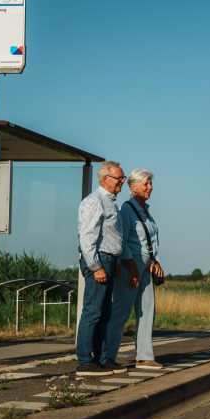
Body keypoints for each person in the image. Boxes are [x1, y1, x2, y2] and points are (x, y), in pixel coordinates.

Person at [105, 168, 165, 370]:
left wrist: (155, 261)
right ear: (133, 187)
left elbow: (149, 239)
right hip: (131, 266)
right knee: (121, 312)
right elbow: (122, 241)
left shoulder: (145, 210)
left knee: (147, 311)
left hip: (146, 266)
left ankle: (145, 356)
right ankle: (108, 357)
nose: (150, 187)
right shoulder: (127, 210)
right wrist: (133, 269)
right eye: (146, 184)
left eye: (150, 183)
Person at [76, 161, 131, 377]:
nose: (122, 182)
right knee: (92, 311)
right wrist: (96, 266)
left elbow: (112, 236)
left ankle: (100, 358)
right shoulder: (94, 201)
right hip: (99, 261)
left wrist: (116, 262)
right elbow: (87, 237)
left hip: (110, 262)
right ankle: (84, 361)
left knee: (105, 313)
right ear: (104, 178)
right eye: (119, 178)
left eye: (123, 178)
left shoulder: (111, 202)